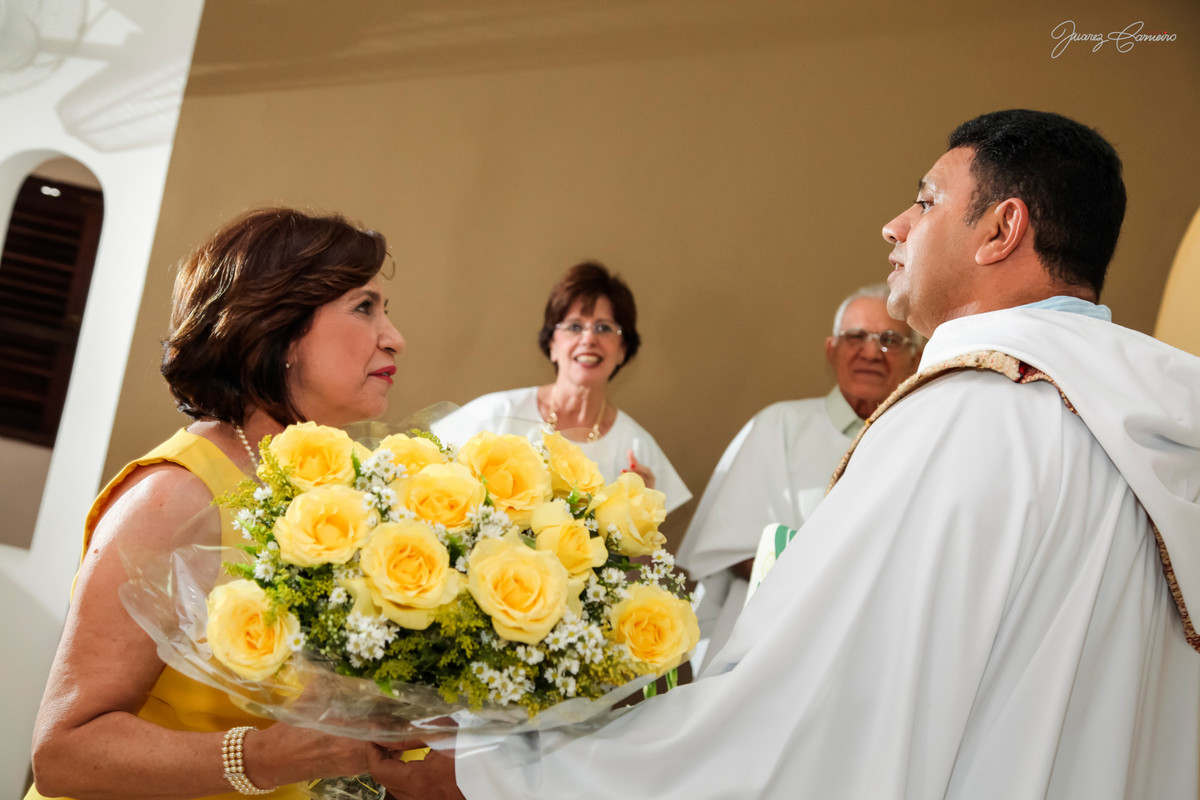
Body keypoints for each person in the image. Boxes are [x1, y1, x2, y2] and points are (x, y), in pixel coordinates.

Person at [421, 109, 1200, 798]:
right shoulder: (1157, 433)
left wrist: (497, 776)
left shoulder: (967, 416)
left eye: (926, 201)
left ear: (1002, 230)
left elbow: (799, 723)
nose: (895, 225)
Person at [27, 208, 456, 800]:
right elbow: (62, 754)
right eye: (364, 307)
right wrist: (264, 757)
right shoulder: (173, 495)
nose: (394, 337)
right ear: (279, 329)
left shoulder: (347, 490)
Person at [676, 284, 922, 670]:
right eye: (856, 337)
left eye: (890, 340)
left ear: (915, 359)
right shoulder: (781, 425)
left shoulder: (922, 442)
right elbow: (734, 550)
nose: (872, 352)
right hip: (768, 646)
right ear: (832, 350)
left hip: (876, 649)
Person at [434, 260, 691, 514]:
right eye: (575, 326)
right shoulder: (495, 414)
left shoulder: (637, 447)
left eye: (604, 328)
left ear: (623, 350)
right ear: (552, 345)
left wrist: (643, 512)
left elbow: (650, 541)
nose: (588, 339)